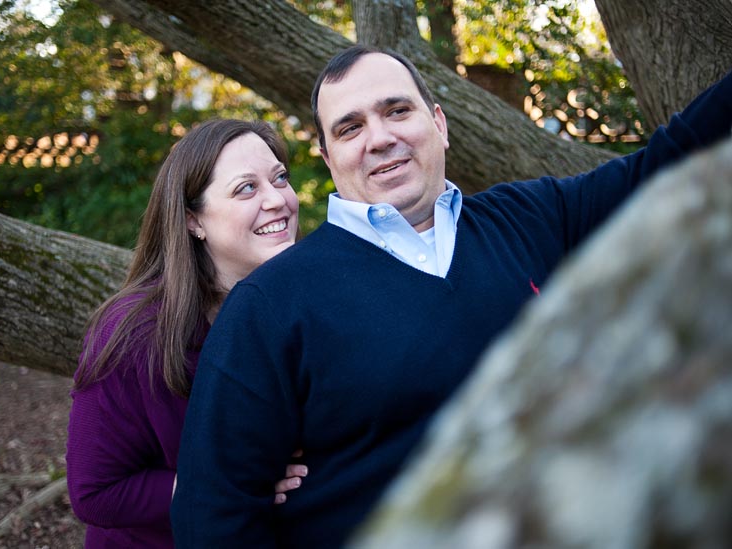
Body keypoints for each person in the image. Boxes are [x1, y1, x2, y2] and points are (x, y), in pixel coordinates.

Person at [171, 45, 732, 548]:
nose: (380, 138)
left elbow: (672, 161)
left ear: (439, 123)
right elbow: (213, 518)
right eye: (349, 128)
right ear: (327, 155)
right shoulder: (270, 305)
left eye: (397, 110)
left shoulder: (535, 219)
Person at [65, 118, 307, 548]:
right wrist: (224, 483)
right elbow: (95, 493)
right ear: (193, 219)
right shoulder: (133, 334)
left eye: (280, 178)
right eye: (246, 188)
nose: (278, 200)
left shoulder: (304, 299)